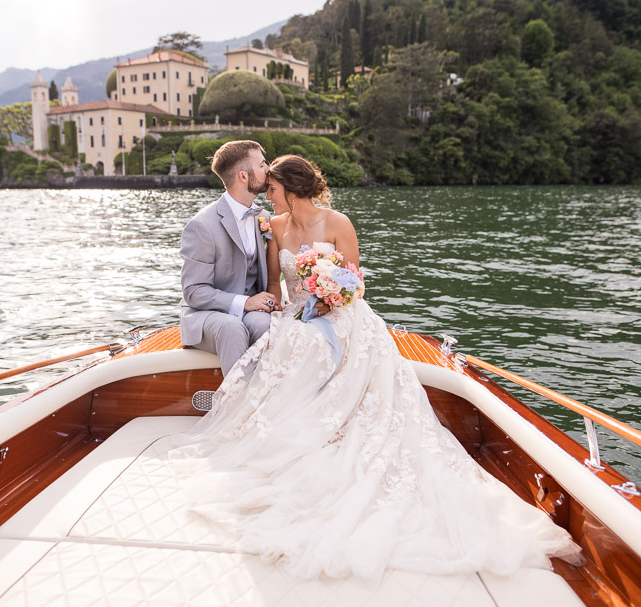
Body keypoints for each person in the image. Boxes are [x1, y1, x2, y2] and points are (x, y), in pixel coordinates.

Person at [171, 155, 582, 581]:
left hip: (343, 312)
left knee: (343, 345)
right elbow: (275, 285)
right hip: (299, 313)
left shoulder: (338, 223)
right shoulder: (273, 227)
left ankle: (345, 419)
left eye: (272, 189)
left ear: (291, 191)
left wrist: (329, 292)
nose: (267, 196)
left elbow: (357, 282)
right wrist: (290, 307)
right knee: (292, 340)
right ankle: (303, 422)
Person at [179, 140, 277, 375]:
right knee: (232, 328)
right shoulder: (202, 225)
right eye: (262, 164)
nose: (268, 170)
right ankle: (237, 408)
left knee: (267, 325)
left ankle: (269, 404)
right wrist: (245, 303)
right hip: (206, 315)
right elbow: (193, 292)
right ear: (244, 176)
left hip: (250, 312)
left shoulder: (263, 217)